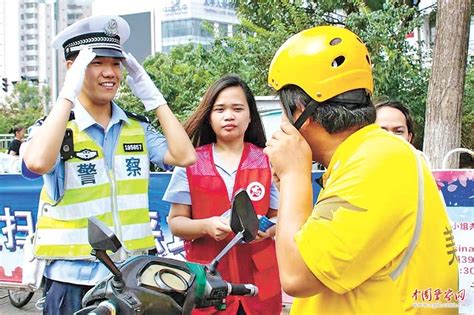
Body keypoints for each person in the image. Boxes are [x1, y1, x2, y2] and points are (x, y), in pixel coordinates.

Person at [264, 26, 458, 314]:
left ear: (300, 111)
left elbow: (297, 275)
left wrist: (294, 176)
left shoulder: (377, 162)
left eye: (282, 109)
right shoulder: (367, 156)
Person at [22, 15, 196, 314]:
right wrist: (67, 94)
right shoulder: (54, 128)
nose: (110, 73)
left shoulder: (135, 127)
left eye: (116, 63)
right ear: (72, 68)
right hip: (72, 281)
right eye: (96, 62)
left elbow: (184, 156)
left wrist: (152, 97)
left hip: (131, 279)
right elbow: (37, 162)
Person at [163, 74, 282, 314]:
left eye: (238, 108)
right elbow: (176, 223)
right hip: (207, 285)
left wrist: (268, 229)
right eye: (220, 109)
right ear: (209, 116)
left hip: (259, 285)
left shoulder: (269, 160)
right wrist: (206, 226)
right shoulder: (191, 162)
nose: (229, 115)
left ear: (250, 116)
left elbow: (283, 218)